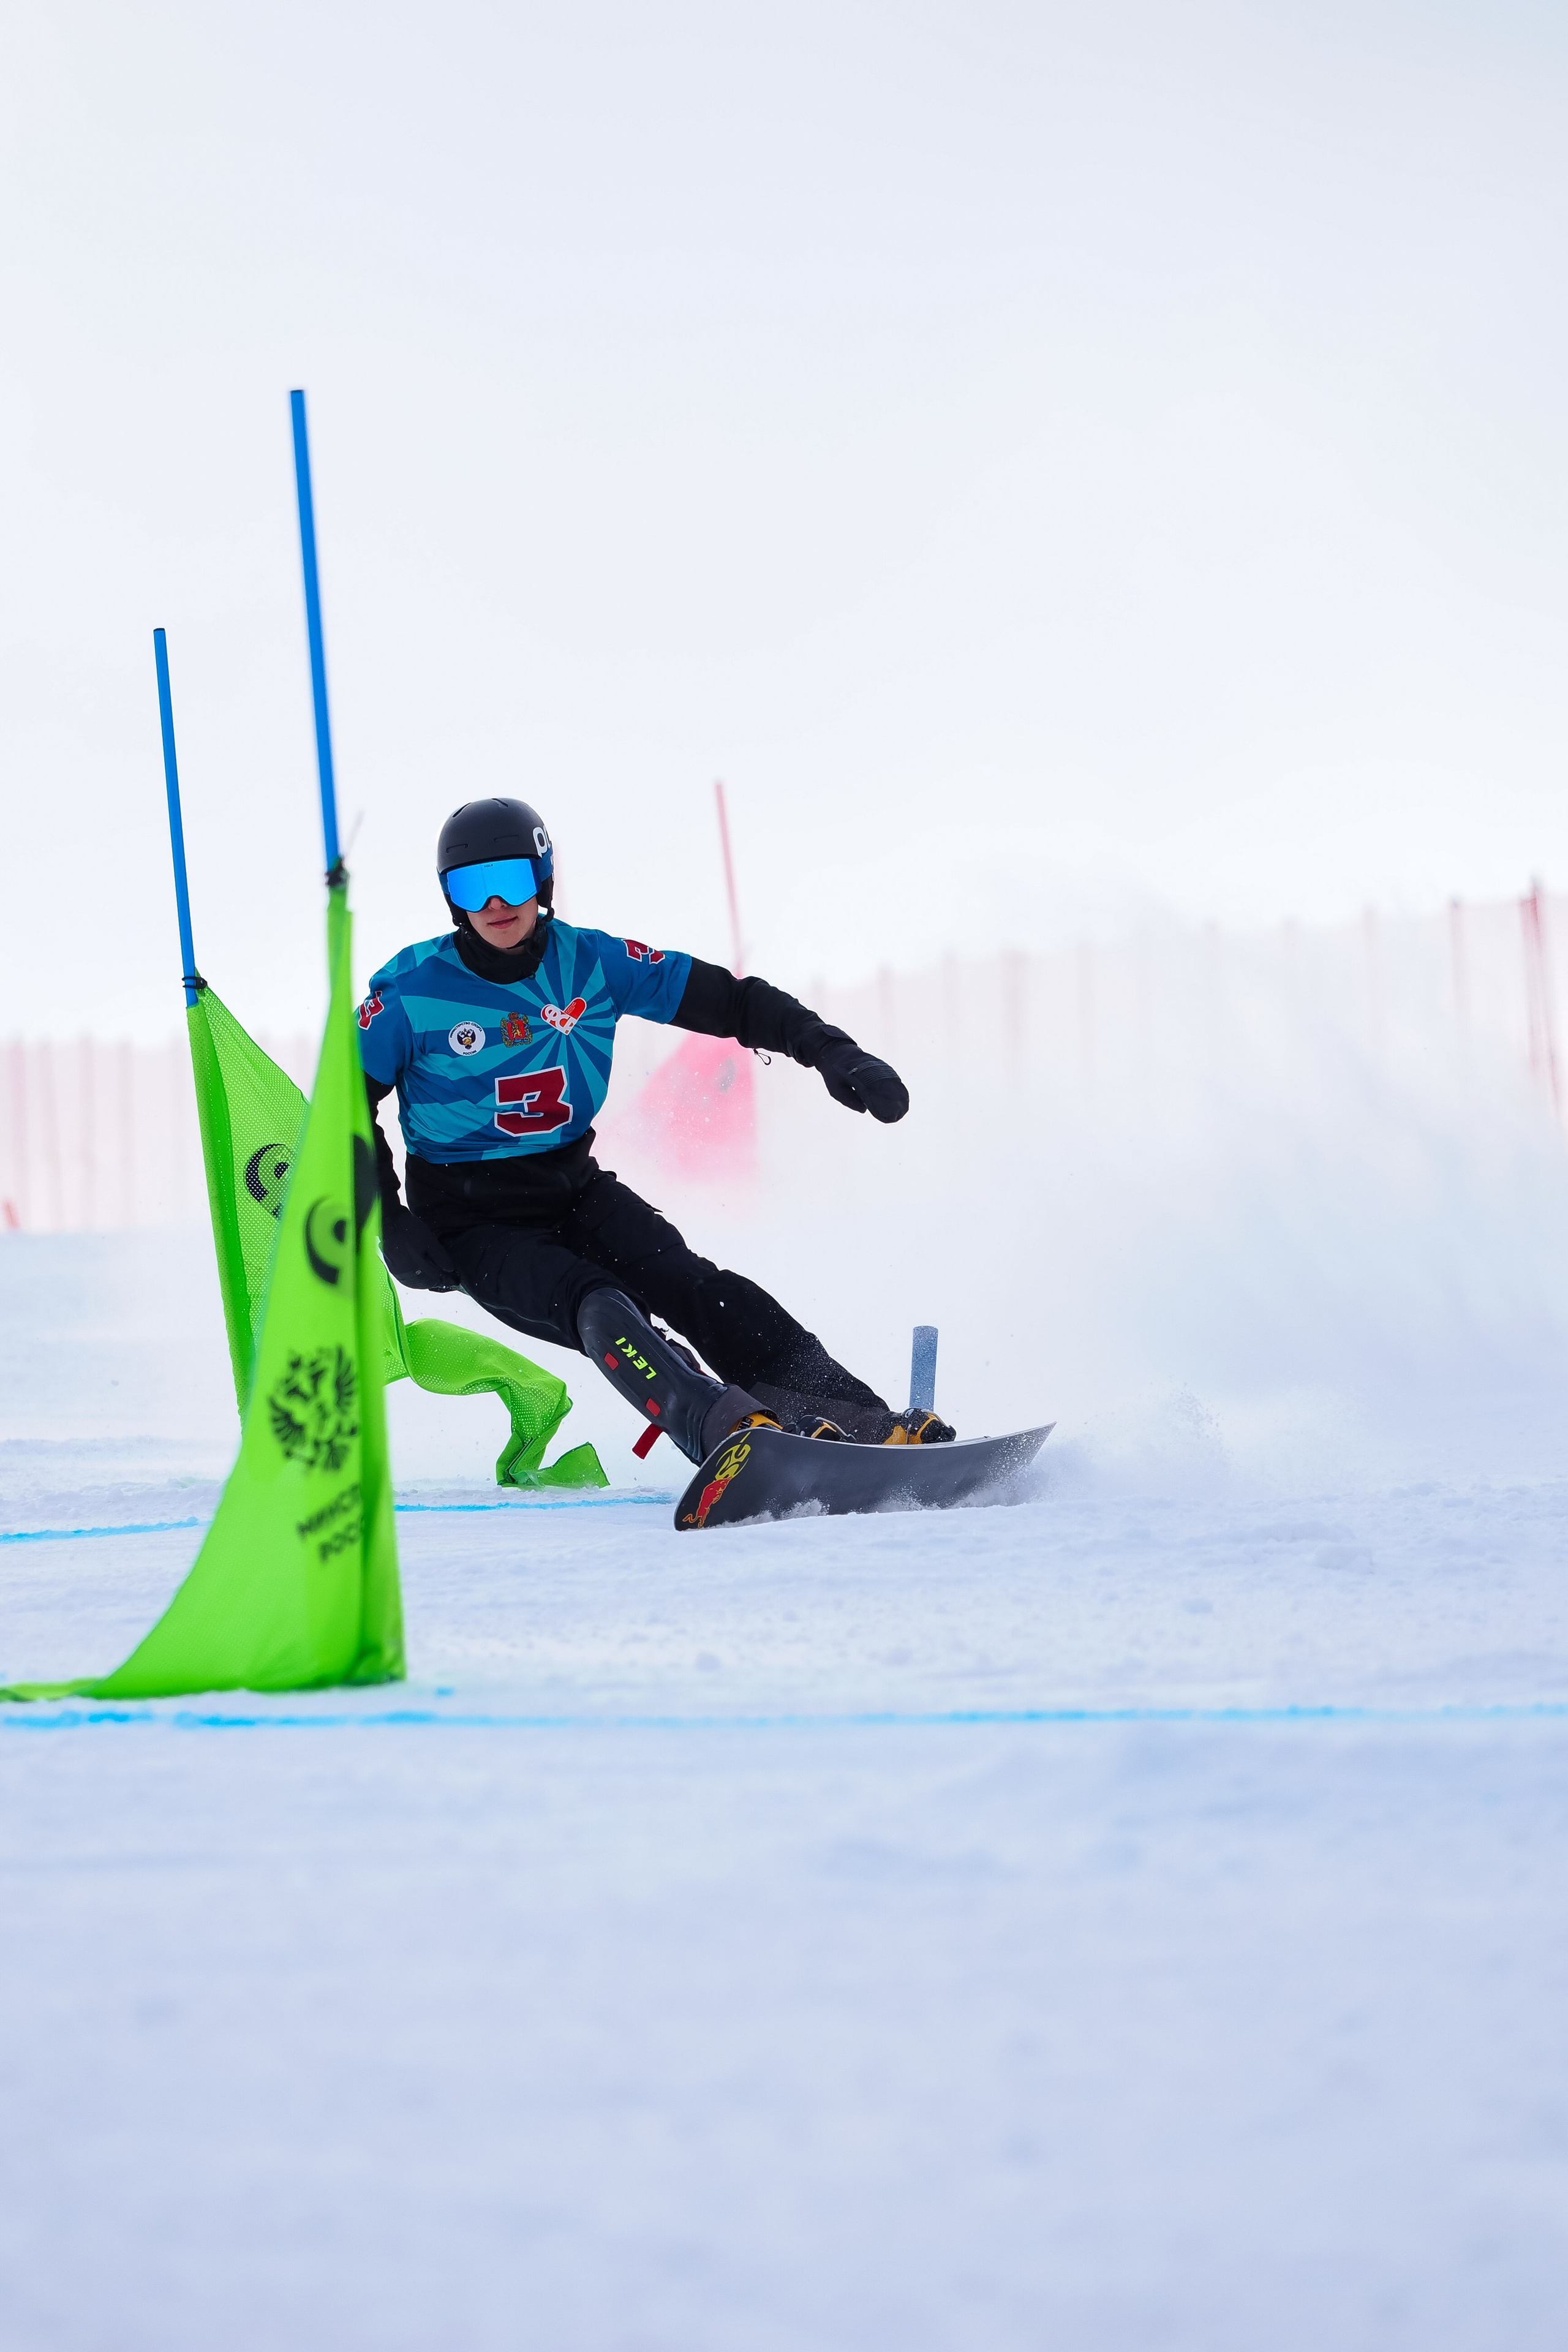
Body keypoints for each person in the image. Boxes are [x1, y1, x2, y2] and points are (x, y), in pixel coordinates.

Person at [358, 796, 956, 1466]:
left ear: (544, 880)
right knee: (599, 1303)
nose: (496, 901)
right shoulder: (409, 990)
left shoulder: (593, 963)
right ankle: (722, 1430)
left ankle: (861, 1421)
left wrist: (831, 1051)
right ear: (450, 898)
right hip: (469, 1222)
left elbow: (730, 1000)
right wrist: (389, 1216)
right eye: (472, 885)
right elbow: (344, 1102)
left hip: (571, 1189)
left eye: (514, 879)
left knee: (697, 1288)